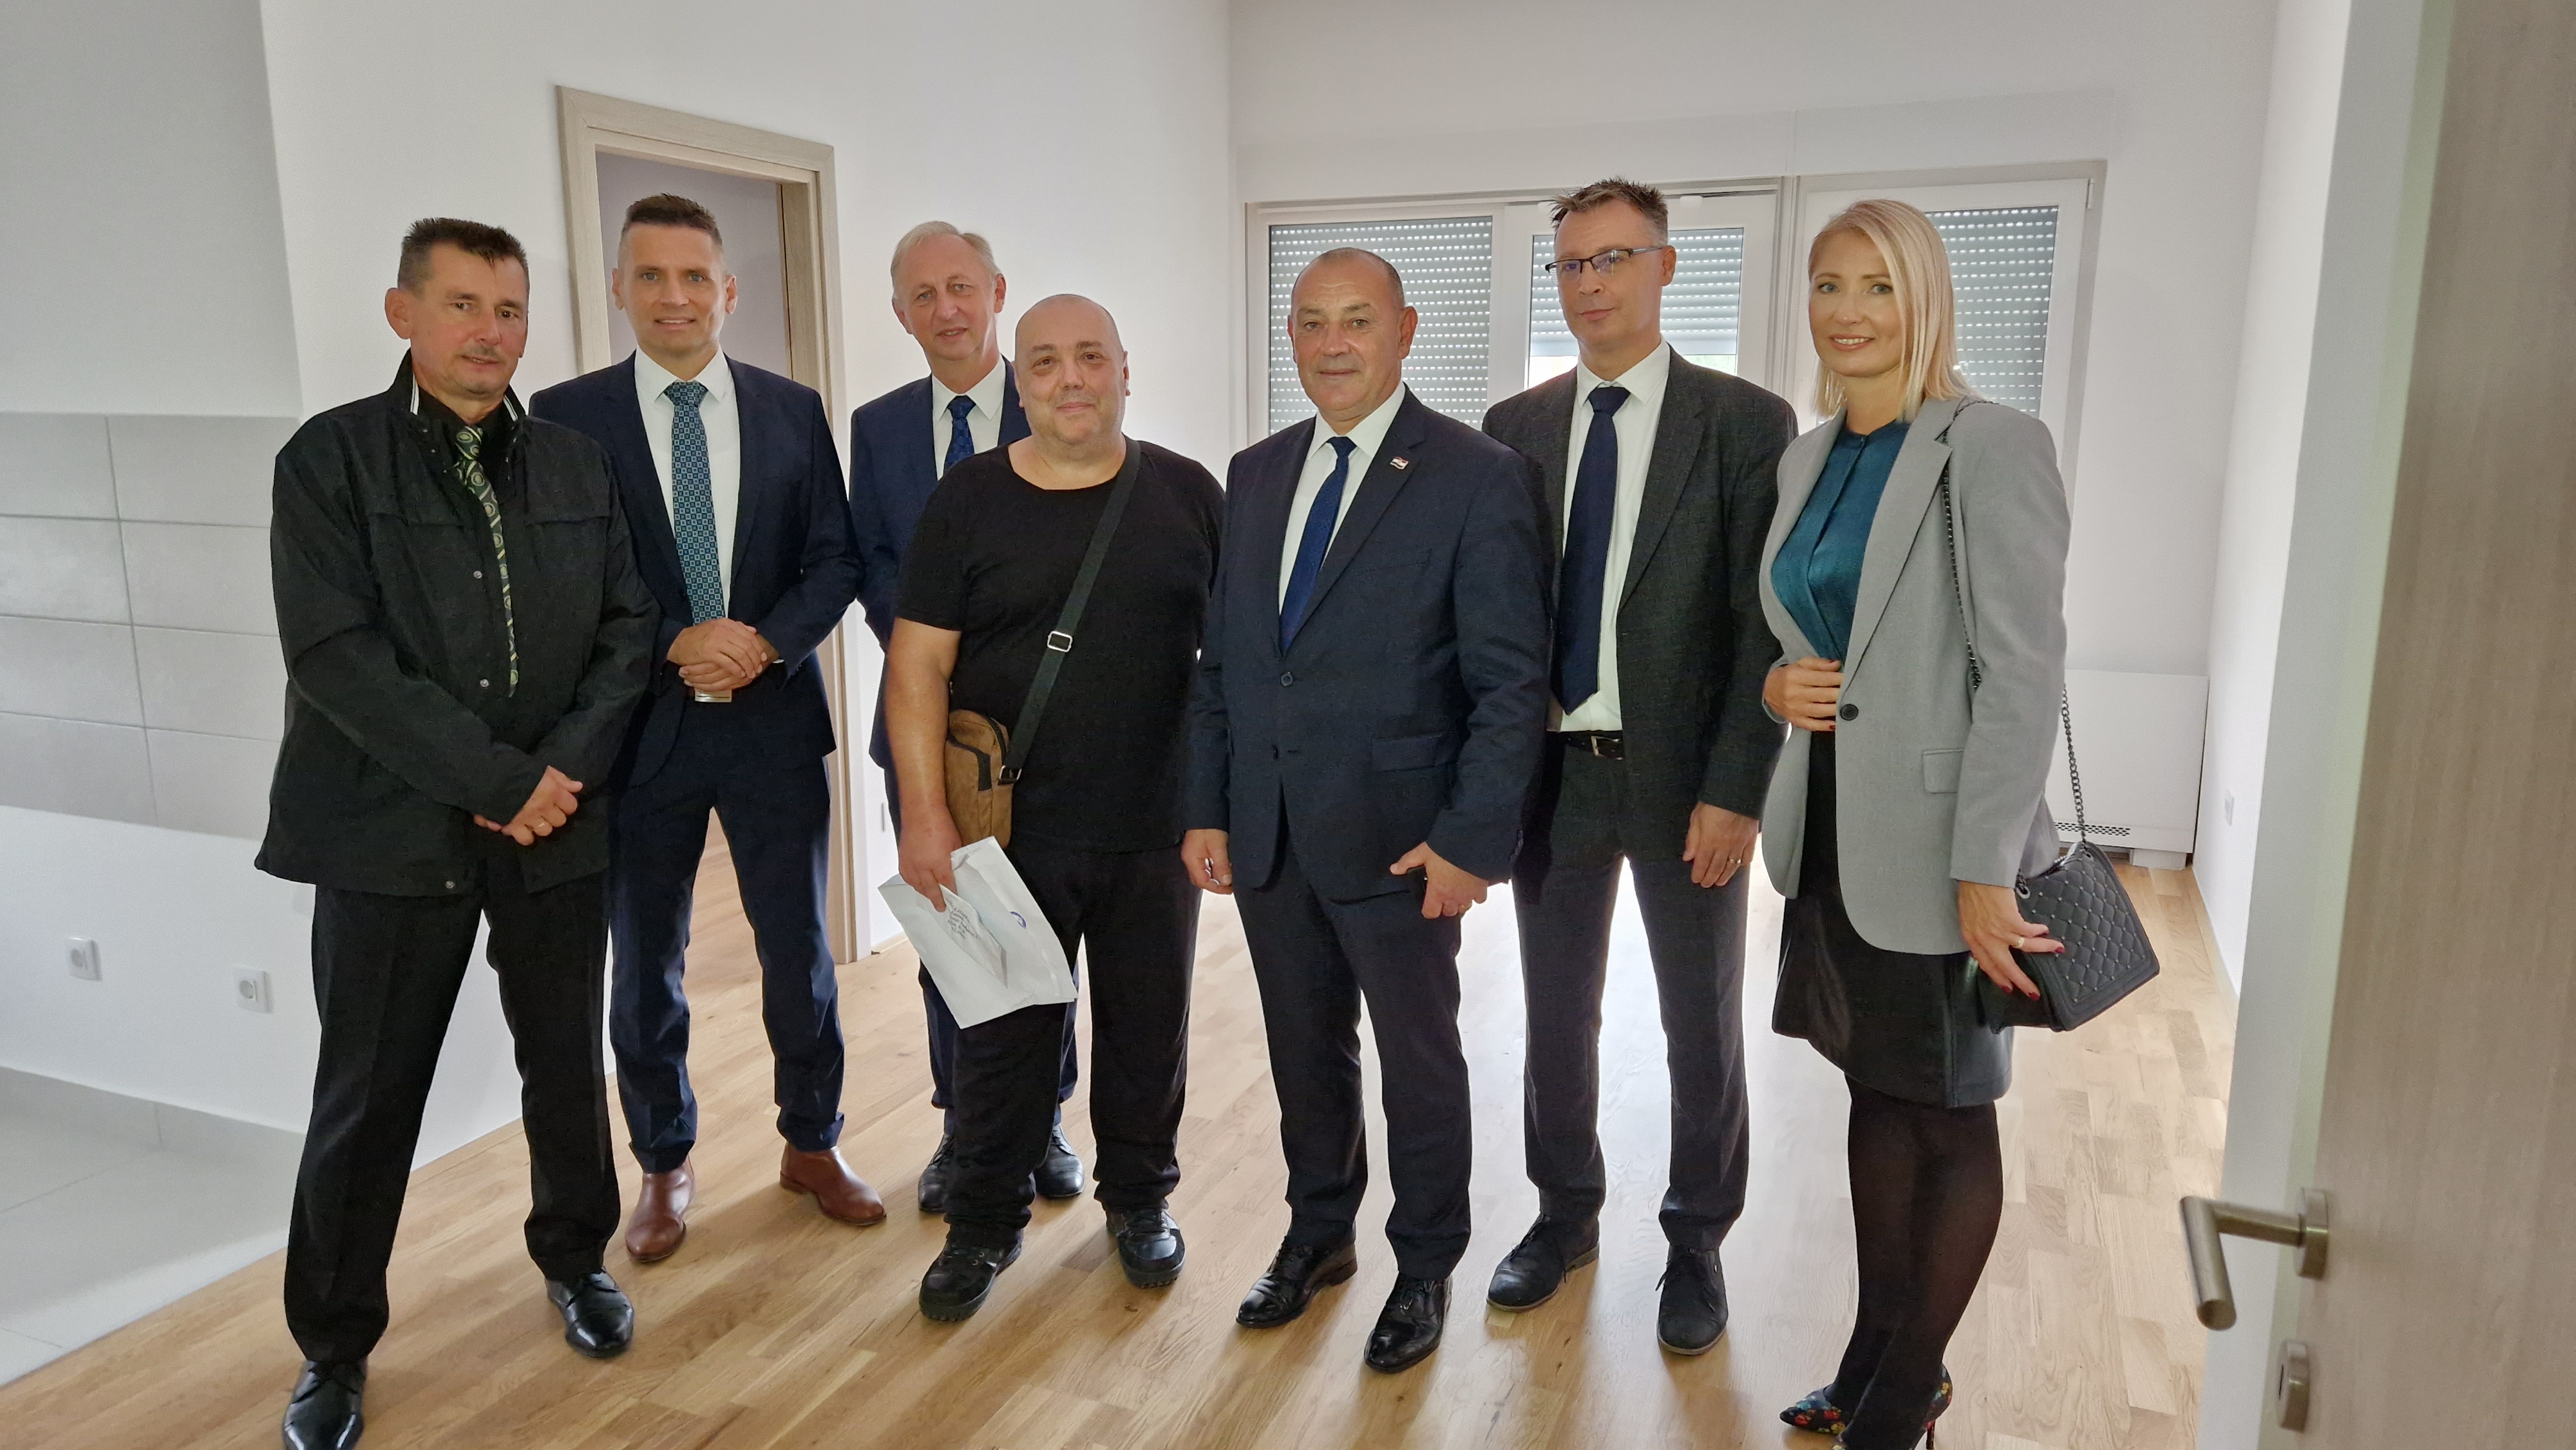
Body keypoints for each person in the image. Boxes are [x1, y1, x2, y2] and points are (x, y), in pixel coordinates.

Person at [261, 218, 656, 1449]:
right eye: (464, 305)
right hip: (386, 834)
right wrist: (495, 778)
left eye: (510, 309)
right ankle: (334, 1348)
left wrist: (557, 777)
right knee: (369, 1095)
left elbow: (628, 631)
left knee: (564, 1069)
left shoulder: (579, 466)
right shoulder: (330, 461)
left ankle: (576, 1260)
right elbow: (337, 655)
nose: (492, 332)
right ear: (404, 314)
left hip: (555, 826)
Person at [1183, 249, 1550, 1374]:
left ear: (1405, 330)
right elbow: (1226, 661)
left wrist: (1470, 841)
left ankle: (1426, 1262)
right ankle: (1319, 1232)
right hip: (1270, 828)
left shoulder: (1477, 475)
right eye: (1311, 321)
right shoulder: (1255, 473)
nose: (1332, 343)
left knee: (1419, 1061)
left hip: (1404, 839)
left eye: (1357, 320)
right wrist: (1209, 806)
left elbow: (1509, 684)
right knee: (1304, 1049)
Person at [1758, 199, 2070, 1448]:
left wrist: (1985, 867)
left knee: (1946, 1114)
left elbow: (2022, 673)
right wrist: (1778, 687)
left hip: (1944, 846)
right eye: (1829, 285)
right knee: (1877, 1098)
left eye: (1877, 286)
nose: (1847, 312)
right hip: (1836, 835)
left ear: (1925, 297)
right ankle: (1871, 1356)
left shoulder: (1989, 445)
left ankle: (1904, 1393)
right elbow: (1808, 633)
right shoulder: (1807, 457)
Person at [531, 194, 878, 1263]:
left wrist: (762, 645)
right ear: (620, 289)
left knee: (798, 950)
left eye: (694, 277)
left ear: (727, 291)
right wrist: (677, 640)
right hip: (638, 736)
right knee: (647, 960)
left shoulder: (792, 409)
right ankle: (663, 1160)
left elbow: (836, 559)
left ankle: (812, 1142)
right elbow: (567, 575)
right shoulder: (565, 416)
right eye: (650, 276)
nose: (673, 296)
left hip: (773, 726)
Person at [1480, 177, 1794, 1354]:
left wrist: (1736, 790)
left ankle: (1698, 1237)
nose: (1591, 283)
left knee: (1698, 1022)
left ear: (1666, 267)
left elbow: (1762, 628)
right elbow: (1494, 619)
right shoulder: (1514, 427)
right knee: (1554, 1013)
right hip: (1553, 777)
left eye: (1615, 258)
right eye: (1571, 264)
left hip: (1686, 780)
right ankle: (1564, 1214)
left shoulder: (1745, 422)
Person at [886, 295, 1222, 1321]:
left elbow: (1231, 668)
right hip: (1005, 830)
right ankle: (984, 1225)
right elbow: (917, 668)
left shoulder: (1188, 494)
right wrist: (923, 816)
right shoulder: (969, 498)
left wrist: (1216, 806)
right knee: (1000, 1038)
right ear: (1020, 383)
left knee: (1146, 1031)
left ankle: (1141, 1203)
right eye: (1044, 363)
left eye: (1089, 357)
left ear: (1125, 370)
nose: (1069, 379)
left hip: (1154, 829)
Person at [848, 222, 1081, 1212]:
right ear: (901, 314)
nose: (945, 309)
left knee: (1041, 930)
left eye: (961, 288)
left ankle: (1046, 1122)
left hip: (1049, 730)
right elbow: (871, 566)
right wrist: (935, 663)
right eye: (923, 295)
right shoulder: (877, 428)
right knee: (953, 936)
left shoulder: (1056, 402)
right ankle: (963, 1125)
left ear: (996, 292)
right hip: (930, 732)